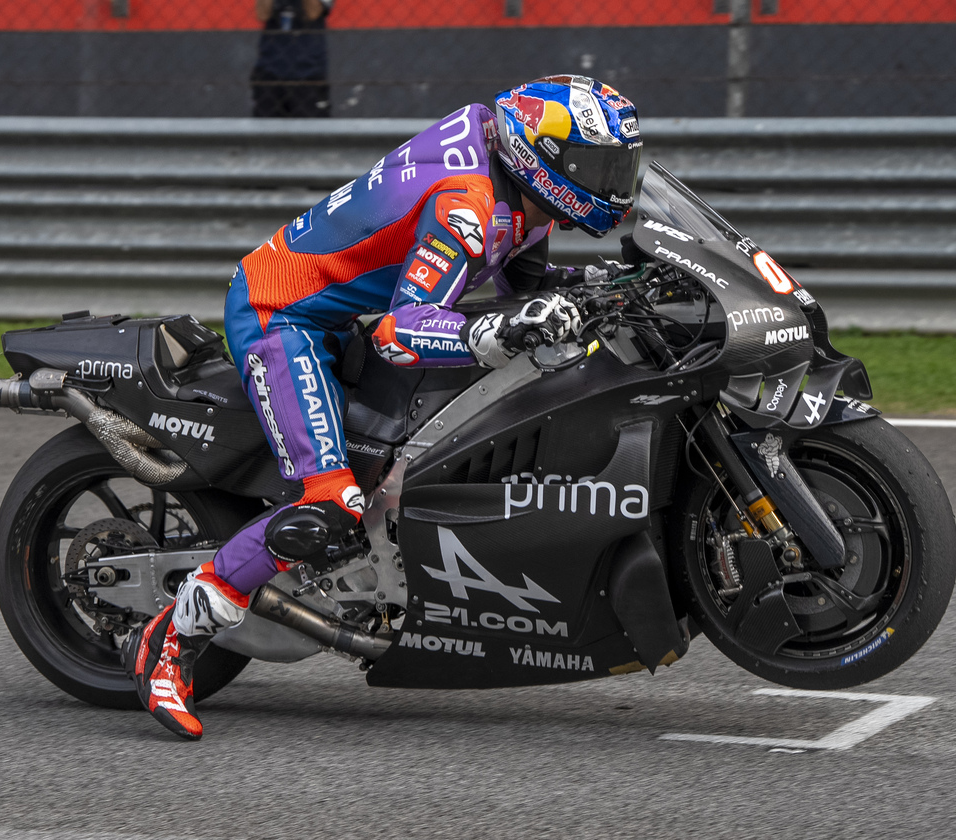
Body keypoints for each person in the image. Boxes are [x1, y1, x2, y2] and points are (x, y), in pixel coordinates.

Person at [124, 75, 643, 740]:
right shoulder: (467, 203)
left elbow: (528, 283)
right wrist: (490, 332)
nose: (613, 186)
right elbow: (403, 331)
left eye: (618, 169)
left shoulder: (516, 183)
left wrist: (606, 286)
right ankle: (171, 637)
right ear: (544, 158)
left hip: (336, 313)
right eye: (599, 169)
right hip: (281, 316)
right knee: (331, 503)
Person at [250, 0, 331, 118]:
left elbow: (313, 13)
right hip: (270, 70)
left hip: (308, 72)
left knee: (311, 128)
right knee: (265, 127)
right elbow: (262, 14)